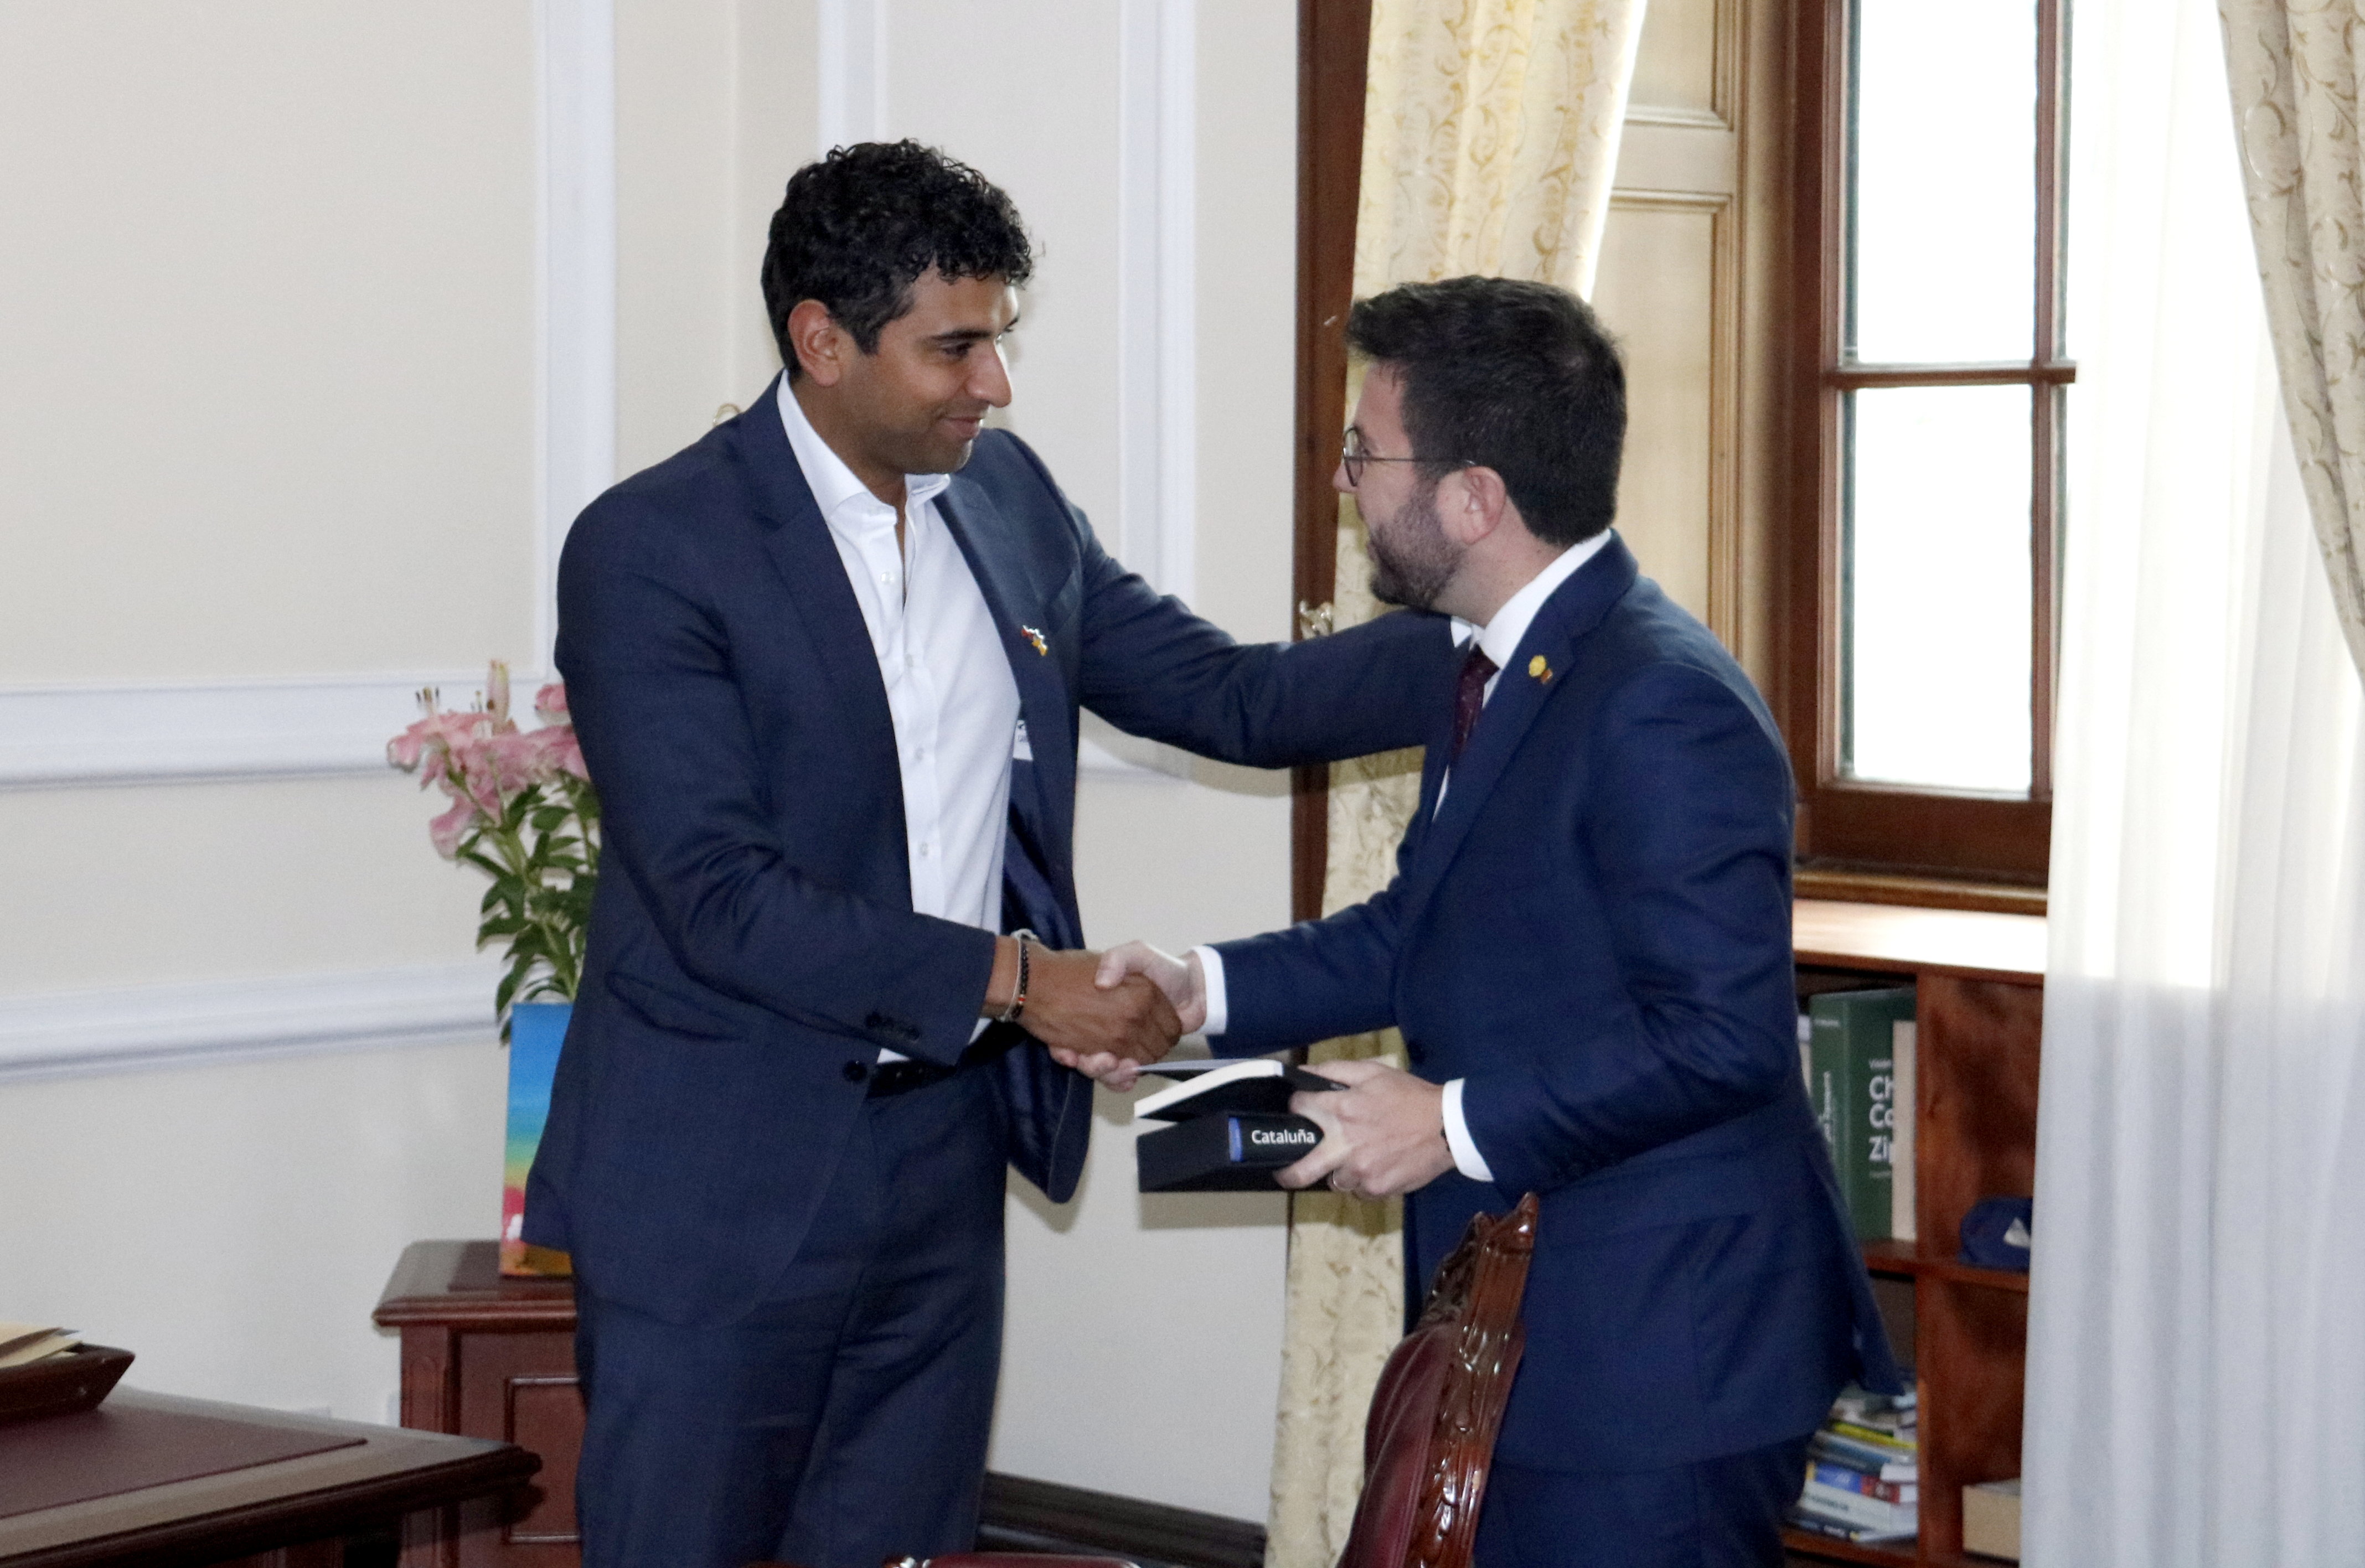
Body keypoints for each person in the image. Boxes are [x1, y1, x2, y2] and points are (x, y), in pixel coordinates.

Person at [522, 141, 1452, 1568]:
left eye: (999, 340)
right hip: (719, 1183)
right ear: (820, 341)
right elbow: (719, 898)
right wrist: (1023, 979)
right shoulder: (654, 546)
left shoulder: (1008, 505)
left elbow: (1232, 697)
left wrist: (1506, 620)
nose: (994, 384)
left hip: (939, 1166)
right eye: (955, 347)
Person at [1080, 276, 1902, 1567]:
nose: (1345, 480)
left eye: (1367, 451)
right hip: (1541, 1326)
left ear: (1473, 497)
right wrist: (1196, 990)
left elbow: (1722, 1040)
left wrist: (1446, 1120)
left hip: (1656, 1361)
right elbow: (1421, 927)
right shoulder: (1487, 658)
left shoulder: (1657, 701)